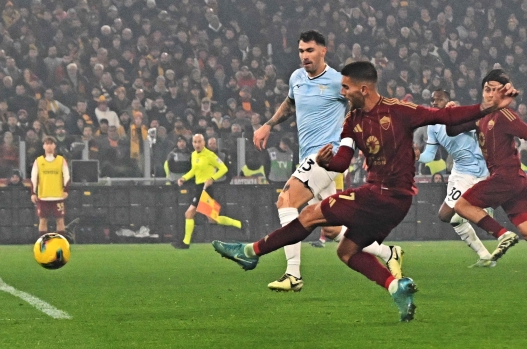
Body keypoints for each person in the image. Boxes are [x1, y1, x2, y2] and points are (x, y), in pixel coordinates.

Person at [213, 62, 518, 322]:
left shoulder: (400, 111)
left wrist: (490, 106)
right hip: (385, 200)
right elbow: (343, 161)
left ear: (363, 89)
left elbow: (446, 117)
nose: (341, 92)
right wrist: (328, 160)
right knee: (346, 252)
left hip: (387, 195)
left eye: (345, 88)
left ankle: (251, 252)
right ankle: (394, 287)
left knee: (309, 214)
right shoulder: (352, 122)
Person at [252, 30, 403, 292]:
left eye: (310, 50)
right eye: (301, 51)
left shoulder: (338, 82)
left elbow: (366, 111)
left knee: (286, 201)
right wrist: (268, 125)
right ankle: (389, 253)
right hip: (306, 158)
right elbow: (290, 104)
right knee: (332, 230)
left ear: (324, 51)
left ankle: (292, 274)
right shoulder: (297, 78)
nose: (304, 56)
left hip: (326, 156)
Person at [449, 69, 527, 263]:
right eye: (487, 89)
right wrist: (450, 114)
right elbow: (452, 130)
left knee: (462, 205)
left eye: (495, 90)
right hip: (511, 181)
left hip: (506, 176)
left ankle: (502, 234)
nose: (490, 94)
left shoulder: (504, 114)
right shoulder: (481, 115)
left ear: (502, 93)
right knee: (525, 226)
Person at [418, 89, 495, 267]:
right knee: (448, 216)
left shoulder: (460, 114)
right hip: (460, 172)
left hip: (478, 169)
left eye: (439, 99)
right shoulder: (432, 126)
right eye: (432, 100)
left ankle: (483, 206)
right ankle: (484, 256)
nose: (434, 102)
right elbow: (429, 154)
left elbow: (479, 124)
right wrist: (415, 156)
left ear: (448, 101)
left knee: (450, 213)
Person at [172, 134, 244, 249]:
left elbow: (223, 168)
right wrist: (183, 178)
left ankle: (185, 243)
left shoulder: (210, 155)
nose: (197, 144)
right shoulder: (194, 155)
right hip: (199, 187)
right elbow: (194, 170)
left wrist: (212, 178)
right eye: (195, 142)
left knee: (189, 214)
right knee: (212, 219)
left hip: (206, 189)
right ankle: (239, 224)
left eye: (199, 142)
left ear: (204, 142)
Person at [31, 136, 70, 238]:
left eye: (51, 143)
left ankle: (61, 243)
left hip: (57, 195)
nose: (49, 146)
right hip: (43, 196)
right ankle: (43, 243)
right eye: (47, 143)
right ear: (43, 146)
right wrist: (33, 193)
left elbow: (66, 176)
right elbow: (33, 178)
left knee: (60, 220)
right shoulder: (38, 161)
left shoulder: (61, 160)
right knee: (43, 220)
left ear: (55, 145)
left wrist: (66, 190)